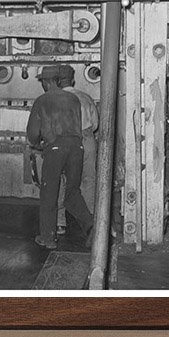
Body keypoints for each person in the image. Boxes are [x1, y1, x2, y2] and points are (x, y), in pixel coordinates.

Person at [26, 64, 93, 250]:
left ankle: (48, 238)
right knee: (72, 193)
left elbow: (33, 133)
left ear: (46, 82)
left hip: (55, 148)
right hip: (77, 147)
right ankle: (91, 227)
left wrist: (37, 144)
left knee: (49, 193)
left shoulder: (42, 100)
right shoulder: (73, 99)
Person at [58, 64, 99, 231]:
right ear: (73, 80)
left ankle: (60, 222)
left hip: (65, 141)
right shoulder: (85, 97)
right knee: (88, 179)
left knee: (61, 180)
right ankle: (90, 221)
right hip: (87, 139)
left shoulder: (54, 99)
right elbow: (95, 124)